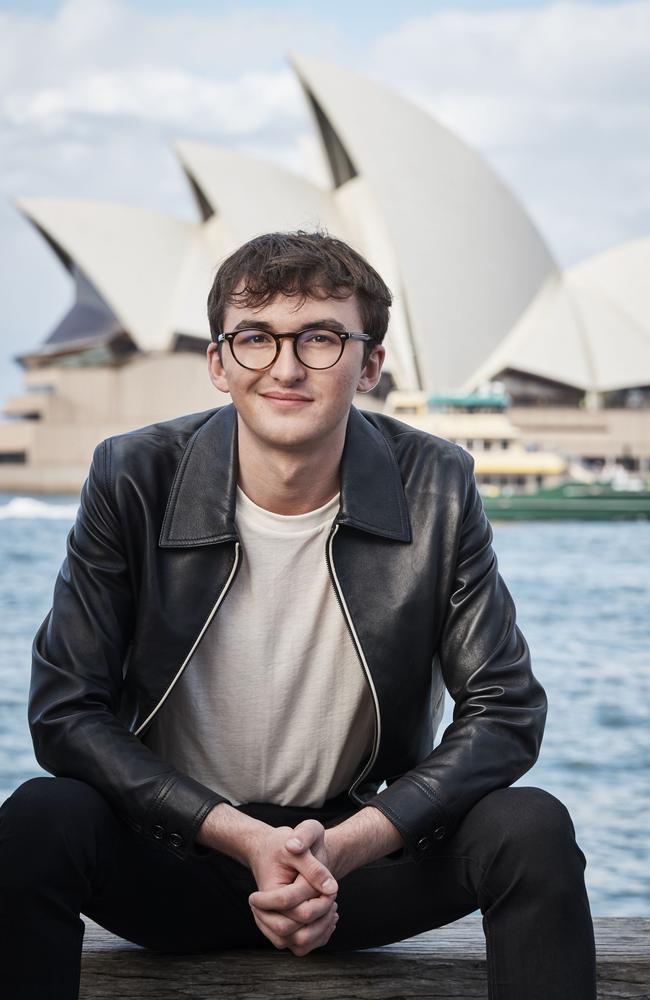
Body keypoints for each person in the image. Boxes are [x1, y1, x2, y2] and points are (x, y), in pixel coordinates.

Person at [0, 231, 596, 999]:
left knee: (533, 829)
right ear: (219, 362)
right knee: (39, 820)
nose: (285, 366)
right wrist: (243, 838)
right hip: (172, 849)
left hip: (348, 858)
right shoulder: (133, 476)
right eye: (256, 338)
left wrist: (346, 847)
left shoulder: (438, 486)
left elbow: (506, 711)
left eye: (320, 338)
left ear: (370, 363)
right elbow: (65, 715)